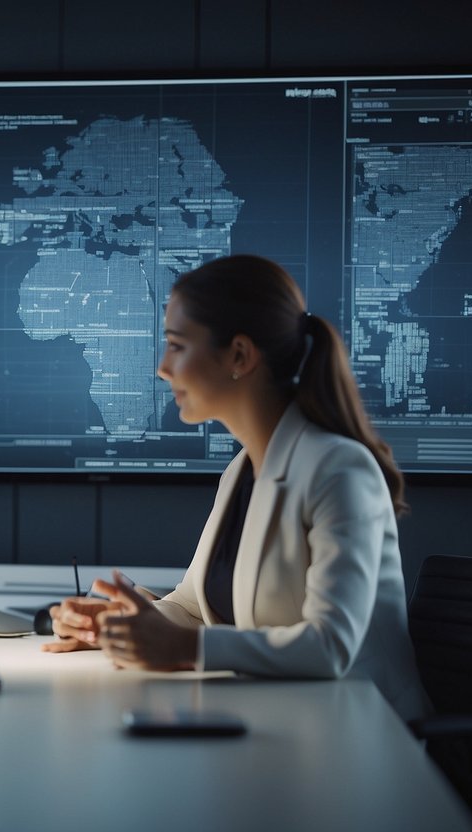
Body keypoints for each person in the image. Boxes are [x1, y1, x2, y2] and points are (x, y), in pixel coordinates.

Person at [46, 254, 429, 722]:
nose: (163, 368)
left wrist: (187, 646)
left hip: (368, 736)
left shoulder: (339, 469)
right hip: (286, 723)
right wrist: (119, 626)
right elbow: (192, 606)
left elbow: (331, 647)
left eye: (176, 346)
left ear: (240, 356)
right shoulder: (242, 469)